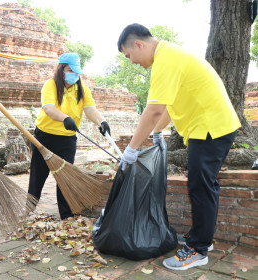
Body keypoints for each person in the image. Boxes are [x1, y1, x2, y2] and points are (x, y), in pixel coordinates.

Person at [117, 24, 241, 270]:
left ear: (138, 44)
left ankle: (198, 249)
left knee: (200, 185)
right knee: (202, 184)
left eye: (129, 56)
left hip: (210, 126)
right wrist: (156, 134)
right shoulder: (168, 55)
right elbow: (164, 109)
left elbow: (152, 110)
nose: (132, 62)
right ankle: (201, 238)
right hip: (209, 125)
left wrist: (131, 150)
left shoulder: (166, 61)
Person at [28, 53, 111, 220]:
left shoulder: (82, 89)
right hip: (44, 138)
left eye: (76, 71)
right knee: (38, 178)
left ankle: (66, 217)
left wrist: (101, 121)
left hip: (67, 140)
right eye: (70, 70)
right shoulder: (50, 85)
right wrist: (64, 118)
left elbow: (90, 110)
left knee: (65, 180)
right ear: (61, 69)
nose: (74, 74)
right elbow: (49, 108)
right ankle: (27, 212)